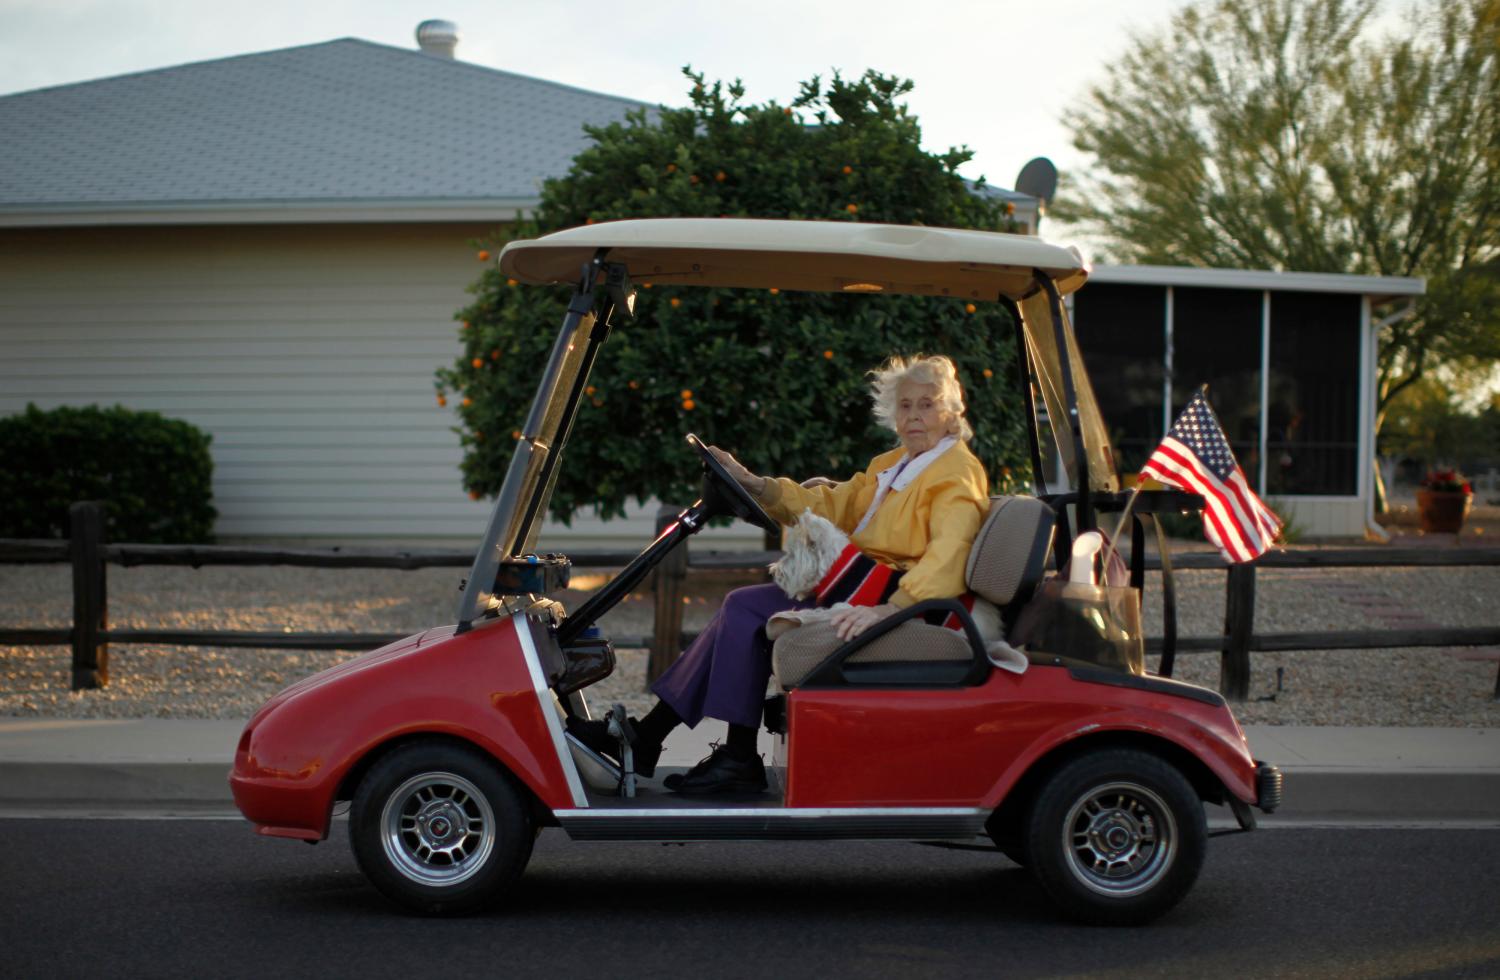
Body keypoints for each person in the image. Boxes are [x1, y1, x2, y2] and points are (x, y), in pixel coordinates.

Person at [569, 354, 990, 794]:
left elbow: (949, 555)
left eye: (927, 404)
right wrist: (755, 484)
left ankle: (696, 749)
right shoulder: (895, 464)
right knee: (744, 610)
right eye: (905, 405)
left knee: (744, 606)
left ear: (950, 412)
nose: (914, 415)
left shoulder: (955, 473)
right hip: (861, 587)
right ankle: (670, 742)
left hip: (903, 603)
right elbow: (831, 504)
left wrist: (889, 610)